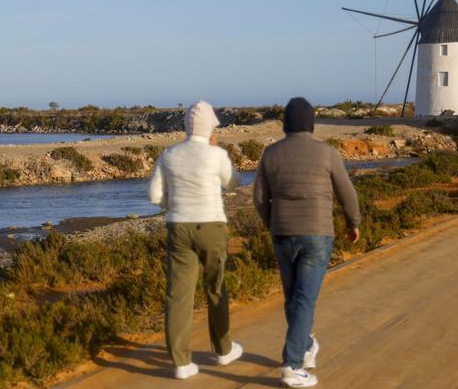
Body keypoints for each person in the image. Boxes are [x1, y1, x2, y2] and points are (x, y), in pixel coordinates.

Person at [252, 97, 361, 388]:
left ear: (285, 124)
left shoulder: (270, 153)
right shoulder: (327, 153)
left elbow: (260, 199)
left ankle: (305, 345)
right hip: (317, 234)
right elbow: (347, 192)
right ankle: (292, 364)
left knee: (293, 298)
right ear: (311, 123)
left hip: (283, 233)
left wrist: (271, 224)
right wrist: (354, 223)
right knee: (303, 299)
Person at [148, 100, 244, 380]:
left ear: (186, 127)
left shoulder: (169, 155)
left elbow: (154, 195)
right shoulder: (216, 155)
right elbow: (234, 183)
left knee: (178, 295)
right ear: (211, 126)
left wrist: (170, 203)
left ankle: (181, 362)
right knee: (215, 286)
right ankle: (223, 350)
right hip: (212, 225)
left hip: (178, 226)